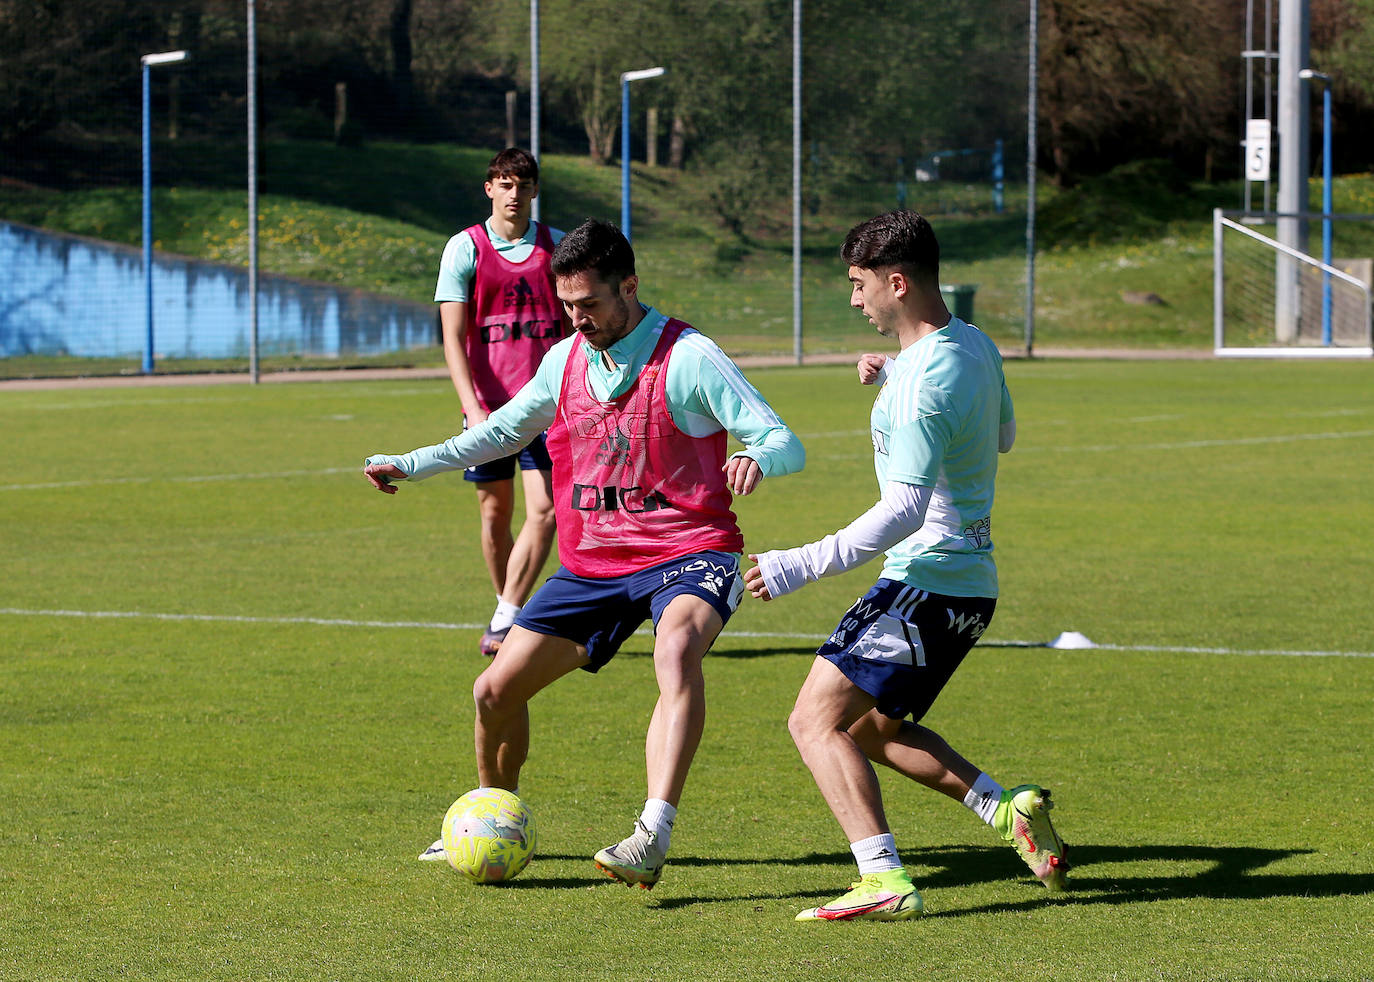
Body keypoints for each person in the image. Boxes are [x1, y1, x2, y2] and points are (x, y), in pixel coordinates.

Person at [366, 219, 805, 886]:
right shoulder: (564, 360)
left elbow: (783, 439)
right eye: (566, 307)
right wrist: (413, 462)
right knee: (493, 692)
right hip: (595, 564)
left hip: (691, 550)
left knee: (676, 648)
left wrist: (757, 456)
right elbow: (502, 432)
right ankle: (493, 817)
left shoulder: (688, 355)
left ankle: (651, 836)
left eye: (589, 304)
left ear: (628, 286)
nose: (577, 320)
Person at [744, 210, 1067, 922]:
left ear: (897, 282)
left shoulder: (925, 383)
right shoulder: (974, 346)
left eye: (860, 286)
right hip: (970, 587)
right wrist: (899, 374)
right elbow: (1001, 434)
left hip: (925, 580)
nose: (855, 301)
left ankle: (882, 877)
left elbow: (904, 512)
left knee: (812, 722)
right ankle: (1004, 809)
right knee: (872, 731)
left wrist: (799, 563)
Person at [435, 147, 568, 657]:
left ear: (535, 190)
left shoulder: (556, 249)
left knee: (547, 510)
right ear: (489, 188)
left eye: (524, 184)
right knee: (495, 516)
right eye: (504, 184)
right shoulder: (464, 248)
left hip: (545, 406)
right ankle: (505, 602)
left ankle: (510, 613)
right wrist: (470, 406)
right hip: (488, 407)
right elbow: (452, 337)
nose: (514, 194)